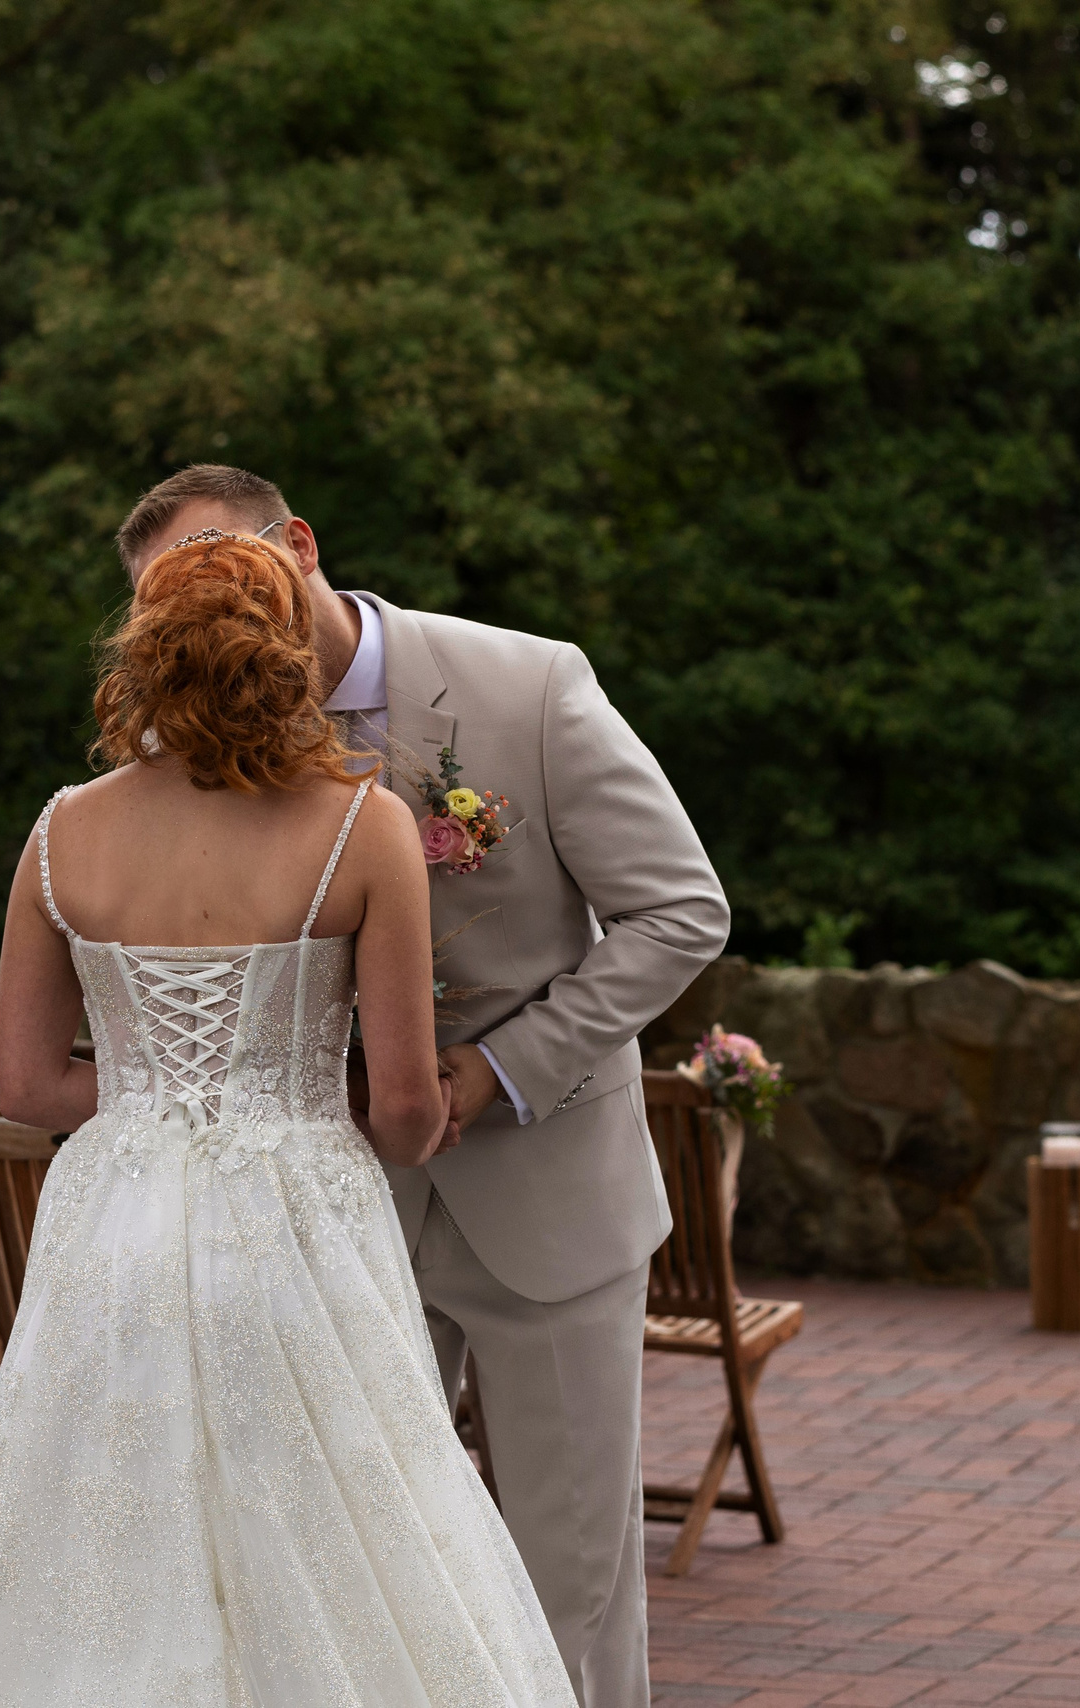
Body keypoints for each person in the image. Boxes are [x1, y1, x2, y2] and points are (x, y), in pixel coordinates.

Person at [0, 524, 576, 1704]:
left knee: (106, 1529)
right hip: (296, 1220)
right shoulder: (361, 827)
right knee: (332, 1521)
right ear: (284, 652)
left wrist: (166, 1109)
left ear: (143, 655)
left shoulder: (62, 830)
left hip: (114, 1221)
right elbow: (407, 1105)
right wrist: (297, 1111)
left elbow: (25, 1087)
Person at [106, 466, 731, 1708]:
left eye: (216, 564)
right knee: (349, 1568)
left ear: (298, 543)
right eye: (163, 596)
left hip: (549, 1197)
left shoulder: (528, 682)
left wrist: (502, 1069)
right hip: (333, 1212)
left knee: (572, 1575)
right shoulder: (188, 746)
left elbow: (679, 910)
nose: (201, 608)